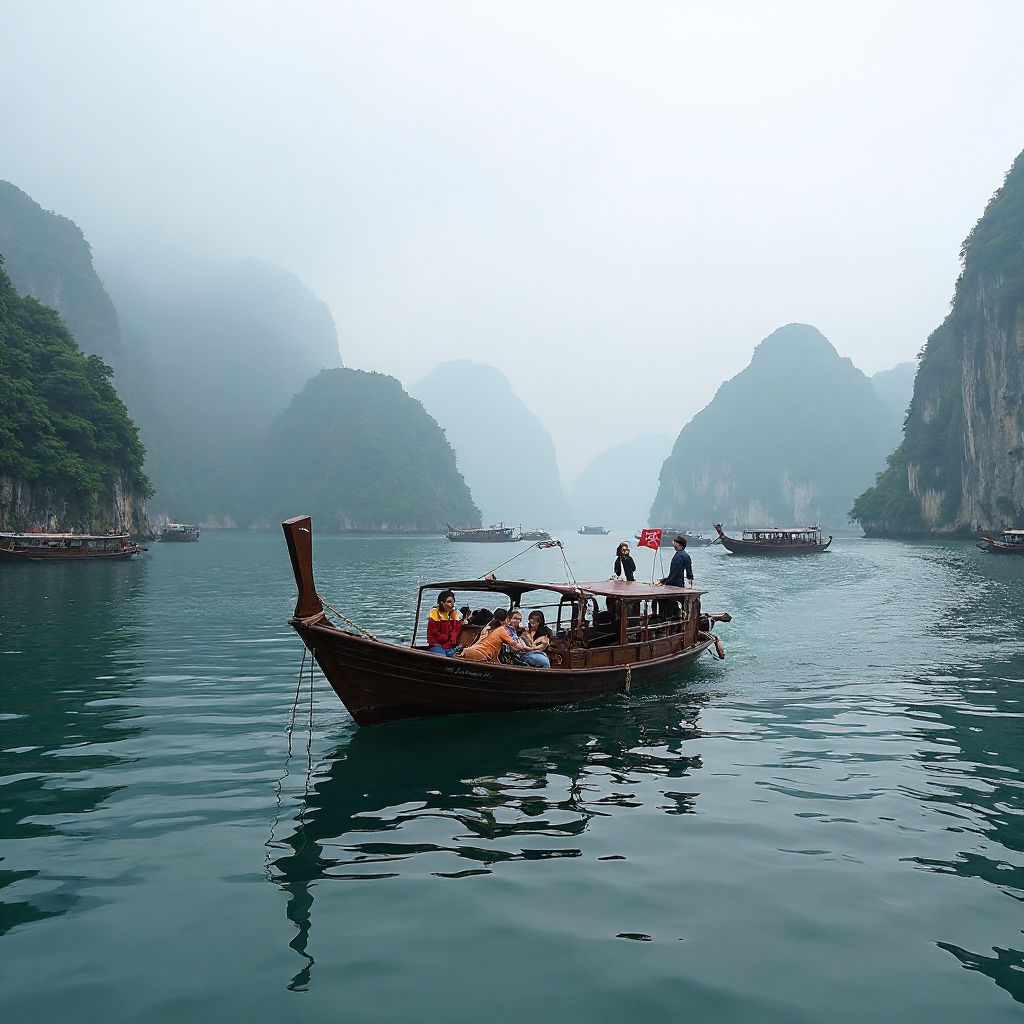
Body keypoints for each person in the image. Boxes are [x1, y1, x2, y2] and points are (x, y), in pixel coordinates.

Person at [457, 609, 531, 663]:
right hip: (478, 654)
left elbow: (495, 654)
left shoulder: (488, 627)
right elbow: (514, 644)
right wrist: (523, 647)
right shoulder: (501, 630)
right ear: (506, 620)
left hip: (471, 651)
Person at [426, 589, 462, 656]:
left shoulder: (454, 614)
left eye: (452, 602)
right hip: (436, 646)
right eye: (448, 602)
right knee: (441, 654)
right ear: (442, 602)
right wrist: (447, 638)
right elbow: (434, 633)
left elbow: (456, 628)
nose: (451, 605)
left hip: (450, 647)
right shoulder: (434, 614)